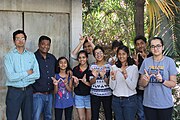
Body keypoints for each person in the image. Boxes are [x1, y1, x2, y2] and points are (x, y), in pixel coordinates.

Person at [4, 30, 40, 120]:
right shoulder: (8, 57)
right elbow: (11, 77)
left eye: (22, 38)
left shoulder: (31, 55)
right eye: (17, 39)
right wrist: (27, 73)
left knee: (28, 117)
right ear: (14, 41)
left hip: (28, 91)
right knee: (12, 117)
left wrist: (19, 77)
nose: (20, 41)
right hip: (14, 92)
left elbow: (37, 75)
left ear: (25, 40)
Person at [139, 37, 178, 120]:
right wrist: (145, 80)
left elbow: (173, 83)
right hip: (149, 104)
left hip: (165, 104)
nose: (155, 48)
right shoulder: (146, 61)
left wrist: (162, 80)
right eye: (152, 46)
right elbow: (141, 84)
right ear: (150, 48)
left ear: (162, 47)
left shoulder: (169, 62)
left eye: (158, 46)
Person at [109, 45, 138, 120]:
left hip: (130, 100)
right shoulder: (114, 67)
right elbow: (112, 87)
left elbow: (133, 87)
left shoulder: (134, 68)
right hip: (116, 100)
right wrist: (113, 78)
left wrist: (126, 77)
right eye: (119, 54)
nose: (121, 56)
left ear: (127, 55)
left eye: (123, 54)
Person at [32, 35, 57, 120]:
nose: (45, 46)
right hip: (37, 95)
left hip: (50, 94)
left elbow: (59, 69)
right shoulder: (32, 57)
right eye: (43, 44)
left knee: (48, 116)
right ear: (39, 45)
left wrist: (69, 70)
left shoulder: (52, 58)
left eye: (48, 44)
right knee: (36, 117)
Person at [89, 45, 112, 120]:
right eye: (96, 53)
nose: (98, 55)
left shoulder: (109, 65)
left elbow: (111, 83)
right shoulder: (92, 66)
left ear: (103, 53)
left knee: (108, 114)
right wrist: (95, 77)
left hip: (107, 94)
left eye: (100, 52)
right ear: (94, 55)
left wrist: (104, 76)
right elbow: (91, 82)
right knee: (94, 115)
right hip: (95, 94)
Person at [133, 35, 152, 120]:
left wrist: (146, 59)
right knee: (141, 114)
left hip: (151, 90)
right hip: (139, 90)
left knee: (150, 113)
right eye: (137, 44)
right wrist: (136, 64)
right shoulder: (134, 57)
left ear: (146, 44)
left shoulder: (152, 55)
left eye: (142, 43)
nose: (140, 46)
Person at [72, 50, 91, 120]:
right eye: (80, 58)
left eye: (83, 57)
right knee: (81, 118)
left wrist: (85, 82)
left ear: (87, 58)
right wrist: (76, 83)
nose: (81, 59)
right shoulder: (75, 69)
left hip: (89, 96)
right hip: (78, 96)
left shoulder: (90, 69)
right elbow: (74, 85)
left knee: (89, 118)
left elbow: (93, 84)